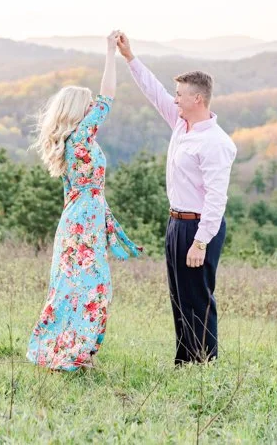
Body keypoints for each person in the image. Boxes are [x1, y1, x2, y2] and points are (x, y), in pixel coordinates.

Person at [117, 32, 236, 365]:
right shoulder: (181, 125)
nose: (174, 100)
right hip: (176, 223)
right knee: (179, 297)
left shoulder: (216, 143)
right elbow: (154, 92)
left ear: (197, 99)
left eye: (180, 95)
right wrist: (130, 58)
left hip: (199, 227)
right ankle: (184, 362)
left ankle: (204, 364)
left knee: (198, 298)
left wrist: (200, 242)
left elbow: (216, 199)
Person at [26, 31, 141, 372]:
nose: (94, 108)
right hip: (84, 221)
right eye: (88, 105)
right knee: (91, 288)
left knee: (75, 286)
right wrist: (110, 53)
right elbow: (108, 96)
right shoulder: (80, 136)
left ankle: (73, 350)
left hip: (77, 219)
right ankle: (73, 353)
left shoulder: (68, 141)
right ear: (79, 111)